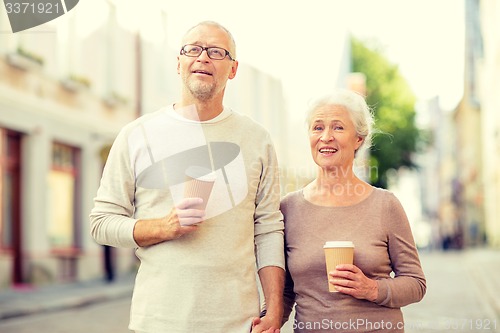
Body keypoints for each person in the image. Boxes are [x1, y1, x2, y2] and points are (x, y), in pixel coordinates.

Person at [90, 21, 284, 333]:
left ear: (233, 69)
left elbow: (269, 228)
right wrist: (162, 227)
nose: (203, 57)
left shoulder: (256, 139)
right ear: (178, 63)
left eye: (216, 52)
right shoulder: (137, 135)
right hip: (158, 321)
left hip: (238, 322)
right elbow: (101, 223)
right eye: (192, 49)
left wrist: (275, 308)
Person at [280, 89, 426, 333]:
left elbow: (416, 283)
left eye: (337, 127)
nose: (326, 137)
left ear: (358, 138)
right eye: (317, 128)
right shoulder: (288, 208)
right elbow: (285, 291)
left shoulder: (385, 205)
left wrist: (371, 288)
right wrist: (269, 321)